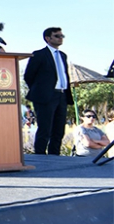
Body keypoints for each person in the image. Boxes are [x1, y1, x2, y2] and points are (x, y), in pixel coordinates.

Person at [24, 27, 74, 155]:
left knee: (59, 130)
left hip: (61, 95)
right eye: (57, 36)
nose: (60, 38)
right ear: (48, 38)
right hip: (45, 96)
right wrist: (40, 90)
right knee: (45, 129)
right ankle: (40, 157)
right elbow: (28, 76)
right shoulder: (39, 54)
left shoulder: (63, 55)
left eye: (62, 36)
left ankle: (55, 157)